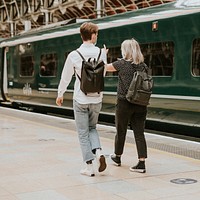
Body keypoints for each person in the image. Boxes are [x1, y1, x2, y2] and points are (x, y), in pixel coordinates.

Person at [56, 22, 107, 177]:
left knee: (83, 133)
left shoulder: (74, 55)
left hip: (81, 99)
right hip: (97, 99)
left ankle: (89, 167)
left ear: (81, 36)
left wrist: (60, 93)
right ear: (92, 35)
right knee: (92, 128)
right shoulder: (101, 53)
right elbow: (102, 76)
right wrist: (104, 53)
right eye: (96, 34)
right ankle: (98, 152)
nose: (97, 36)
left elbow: (65, 77)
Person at [105, 38, 148, 173]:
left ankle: (117, 157)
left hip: (124, 103)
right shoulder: (143, 66)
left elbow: (104, 67)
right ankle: (141, 163)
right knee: (139, 133)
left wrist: (103, 55)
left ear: (126, 51)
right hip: (141, 103)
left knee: (121, 131)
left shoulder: (121, 64)